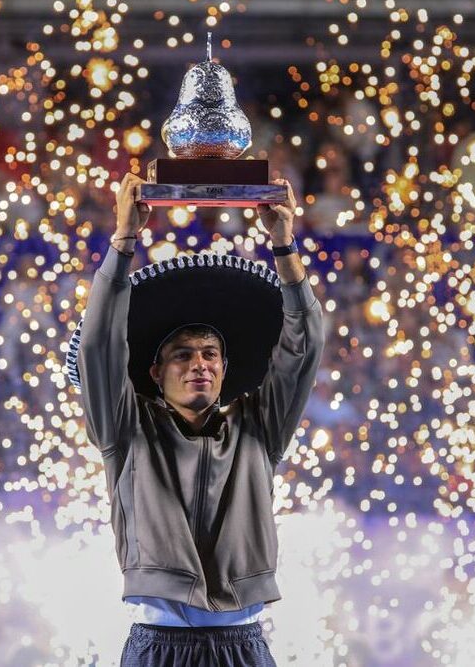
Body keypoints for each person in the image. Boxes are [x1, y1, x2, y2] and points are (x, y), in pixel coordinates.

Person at [70, 174, 325, 666]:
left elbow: (305, 347)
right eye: (182, 355)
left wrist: (284, 245)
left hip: (244, 648)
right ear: (154, 372)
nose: (199, 364)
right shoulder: (126, 431)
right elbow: (98, 347)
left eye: (210, 353)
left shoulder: (258, 429)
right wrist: (123, 241)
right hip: (157, 647)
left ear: (225, 369)